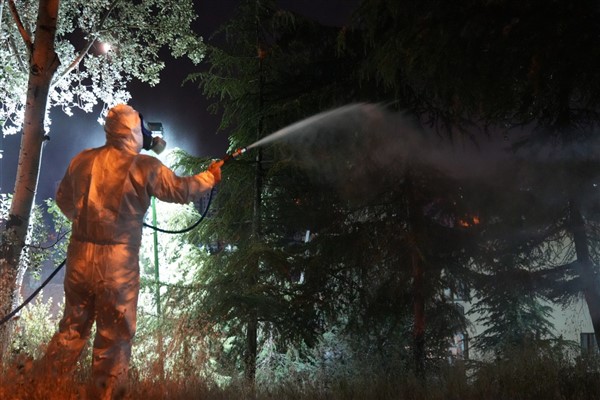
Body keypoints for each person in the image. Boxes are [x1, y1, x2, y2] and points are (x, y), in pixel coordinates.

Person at [38, 104, 223, 399]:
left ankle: (40, 390)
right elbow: (181, 190)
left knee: (70, 331)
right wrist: (210, 177)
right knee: (113, 341)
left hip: (79, 260)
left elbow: (64, 202)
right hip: (117, 266)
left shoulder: (82, 160)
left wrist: (87, 226)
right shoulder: (144, 166)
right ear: (135, 131)